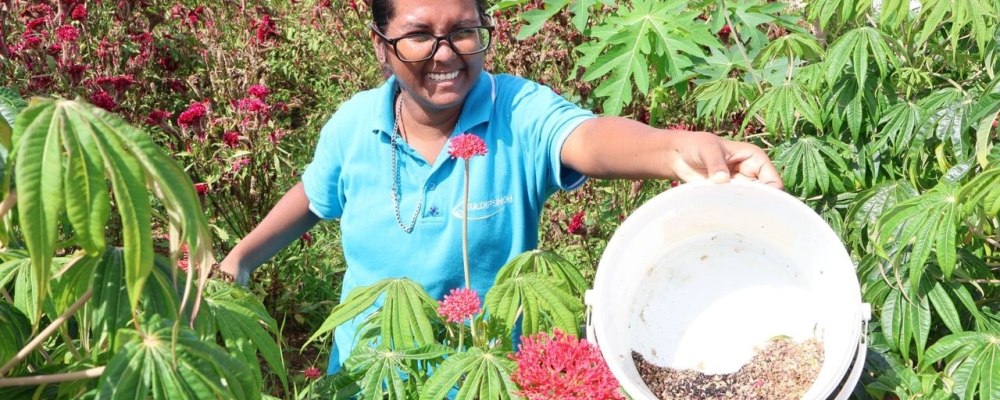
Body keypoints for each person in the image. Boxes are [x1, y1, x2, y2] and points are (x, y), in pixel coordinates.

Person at [215, 0, 783, 375]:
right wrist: (241, 258)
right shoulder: (353, 124)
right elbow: (314, 197)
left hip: (485, 375)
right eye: (418, 36)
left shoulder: (517, 111)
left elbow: (587, 137)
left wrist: (673, 148)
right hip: (371, 374)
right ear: (381, 45)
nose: (445, 54)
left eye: (464, 32)